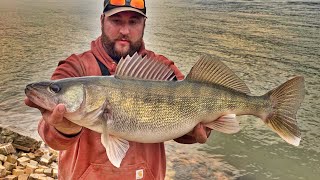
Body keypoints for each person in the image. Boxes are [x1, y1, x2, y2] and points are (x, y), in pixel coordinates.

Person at [25, 0, 211, 179]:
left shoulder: (161, 68)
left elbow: (185, 125)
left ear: (144, 24)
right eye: (116, 20)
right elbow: (50, 135)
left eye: (133, 21)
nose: (124, 30)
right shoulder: (75, 67)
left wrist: (198, 131)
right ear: (102, 21)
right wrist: (63, 129)